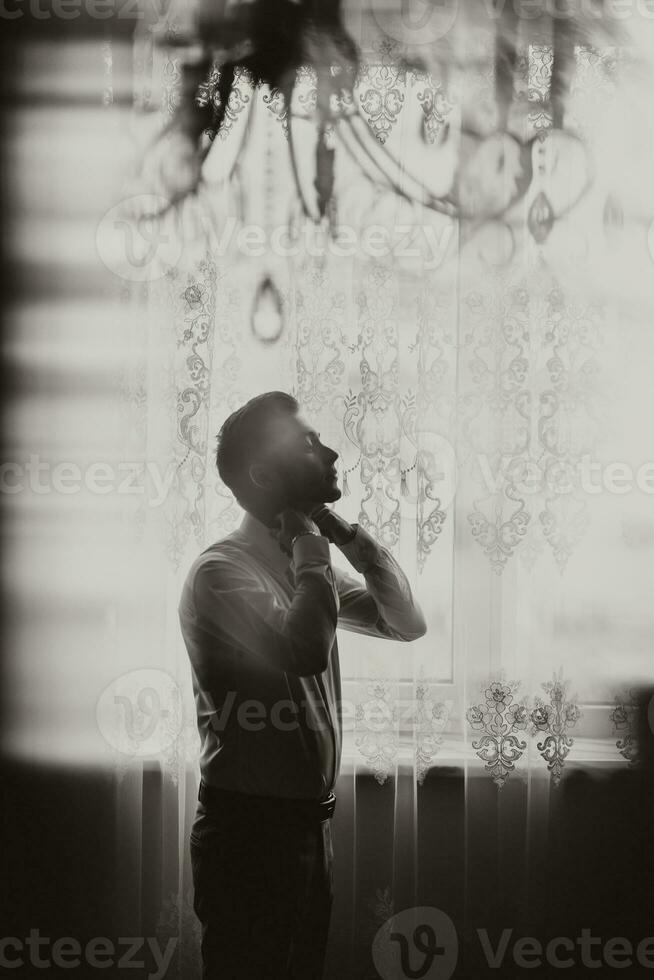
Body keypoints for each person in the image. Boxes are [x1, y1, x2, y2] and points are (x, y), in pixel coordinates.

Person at [178, 391, 426, 980]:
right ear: (263, 472)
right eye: (309, 443)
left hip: (307, 828)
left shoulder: (304, 563)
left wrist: (340, 534)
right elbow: (305, 651)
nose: (332, 450)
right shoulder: (223, 572)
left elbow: (406, 622)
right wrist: (314, 549)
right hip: (248, 834)